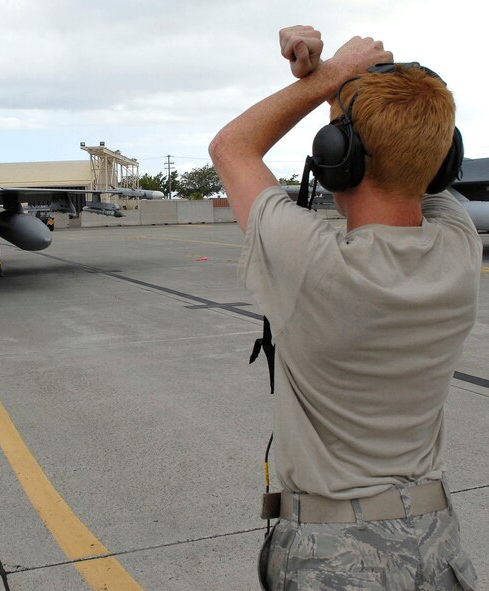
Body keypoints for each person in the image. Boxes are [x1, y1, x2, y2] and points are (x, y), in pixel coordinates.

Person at [209, 26, 481, 590]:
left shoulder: (314, 265)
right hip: (437, 545)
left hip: (333, 557)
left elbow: (231, 148)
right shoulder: (458, 244)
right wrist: (333, 80)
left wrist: (327, 76)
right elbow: (413, 163)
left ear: (338, 160)